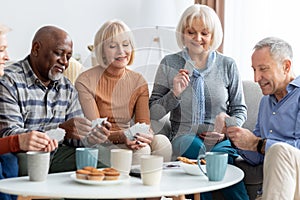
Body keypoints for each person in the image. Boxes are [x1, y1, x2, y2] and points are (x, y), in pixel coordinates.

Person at [149, 4, 248, 200]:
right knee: (192, 146)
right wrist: (174, 94)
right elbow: (152, 112)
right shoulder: (170, 63)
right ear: (183, 33)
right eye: (191, 32)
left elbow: (239, 110)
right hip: (184, 136)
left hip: (221, 140)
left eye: (205, 33)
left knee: (218, 158)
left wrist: (224, 130)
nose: (198, 39)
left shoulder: (227, 65)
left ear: (213, 35)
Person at [0, 25, 111, 175]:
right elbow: (9, 134)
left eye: (69, 57)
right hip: (25, 156)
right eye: (59, 54)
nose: (65, 62)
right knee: (96, 162)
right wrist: (60, 130)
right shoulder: (9, 81)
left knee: (103, 155)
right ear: (36, 49)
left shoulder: (66, 88)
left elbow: (75, 137)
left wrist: (90, 135)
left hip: (58, 153)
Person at [75, 19, 172, 166]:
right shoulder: (85, 80)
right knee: (142, 151)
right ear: (102, 51)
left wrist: (146, 135)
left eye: (126, 45)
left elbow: (143, 124)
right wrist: (123, 136)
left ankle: (160, 188)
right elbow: (95, 133)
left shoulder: (138, 81)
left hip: (129, 137)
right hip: (101, 143)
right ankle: (134, 188)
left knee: (162, 143)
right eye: (113, 46)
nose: (121, 52)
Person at [226, 37, 300, 200]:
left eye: (263, 69)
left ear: (286, 66)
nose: (256, 78)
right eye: (254, 70)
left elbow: (265, 147)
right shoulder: (265, 102)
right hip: (281, 185)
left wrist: (258, 143)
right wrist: (237, 138)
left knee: (279, 150)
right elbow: (257, 156)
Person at [0, 24, 58, 200]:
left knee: (8, 159)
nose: (7, 57)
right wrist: (17, 142)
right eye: (1, 50)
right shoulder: (10, 81)